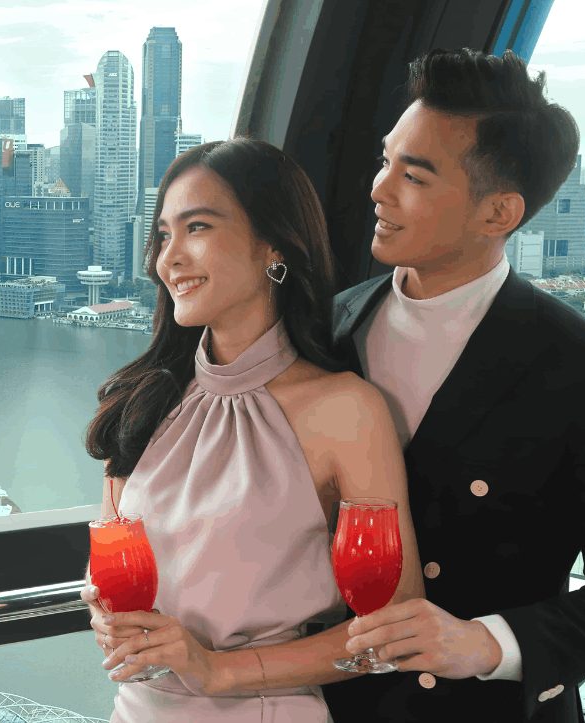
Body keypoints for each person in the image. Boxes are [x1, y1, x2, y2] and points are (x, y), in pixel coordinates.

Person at [321, 48, 585, 723]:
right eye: (384, 161)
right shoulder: (328, 326)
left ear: (498, 214)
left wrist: (484, 642)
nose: (378, 189)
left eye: (414, 175)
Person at [79, 137, 426, 721]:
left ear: (273, 245)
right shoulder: (141, 402)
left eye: (197, 227)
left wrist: (217, 670)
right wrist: (103, 612)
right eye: (163, 235)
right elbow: (109, 565)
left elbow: (393, 625)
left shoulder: (346, 410)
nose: (169, 258)